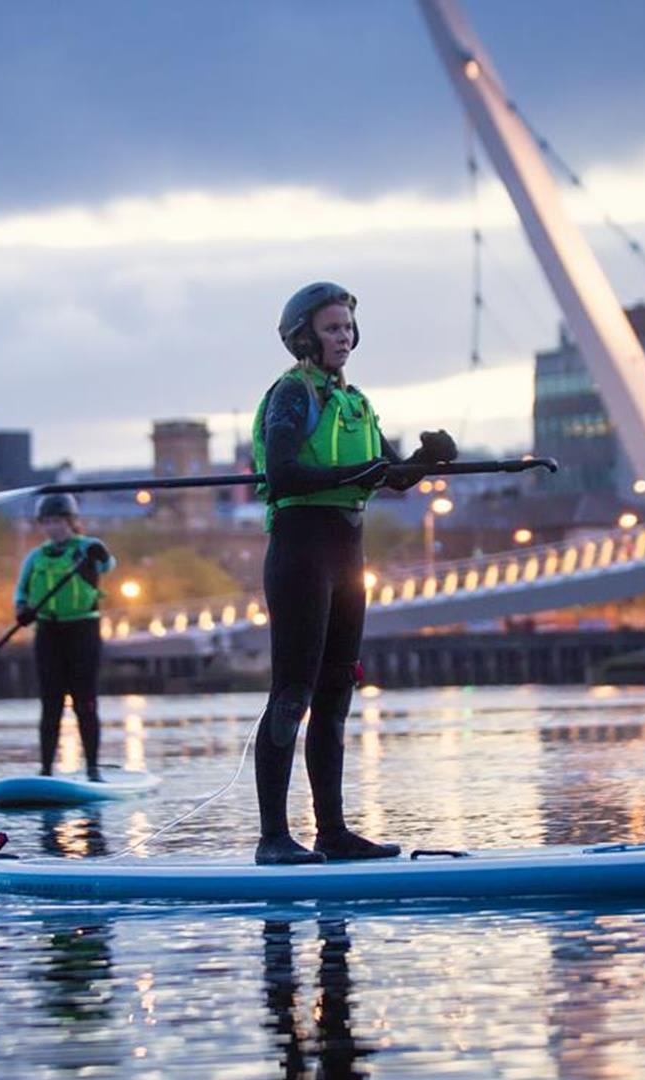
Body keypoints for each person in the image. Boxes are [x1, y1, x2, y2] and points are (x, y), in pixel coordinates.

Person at [248, 282, 458, 865]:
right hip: (300, 551)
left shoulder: (356, 401)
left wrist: (427, 461)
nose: (343, 337)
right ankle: (272, 839)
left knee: (336, 693)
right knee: (293, 693)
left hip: (348, 554)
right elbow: (285, 475)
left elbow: (387, 476)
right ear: (304, 337)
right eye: (331, 328)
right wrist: (358, 471)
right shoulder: (293, 396)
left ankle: (332, 832)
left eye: (347, 328)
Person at [15, 494, 115, 780]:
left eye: (58, 521)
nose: (53, 528)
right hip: (48, 632)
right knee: (51, 704)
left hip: (83, 631)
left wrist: (101, 554)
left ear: (70, 522)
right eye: (47, 522)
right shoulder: (36, 557)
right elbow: (20, 591)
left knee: (85, 702)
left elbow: (108, 565)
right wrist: (22, 610)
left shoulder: (86, 549)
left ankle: (93, 769)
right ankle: (46, 770)